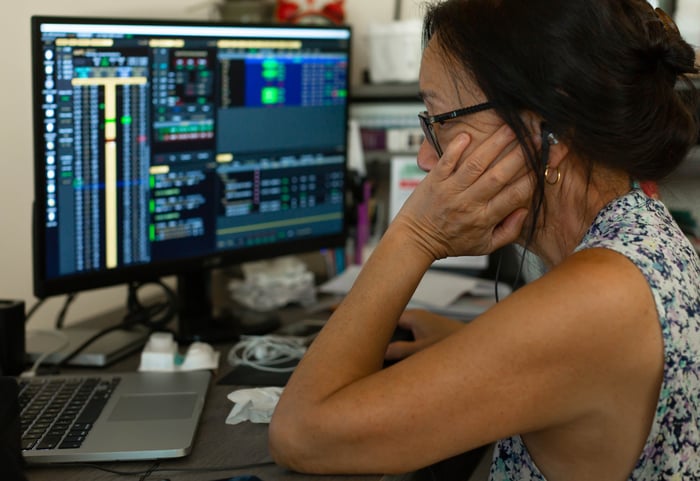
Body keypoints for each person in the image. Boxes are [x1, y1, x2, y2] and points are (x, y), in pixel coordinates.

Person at [268, 0, 700, 479]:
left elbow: (303, 434)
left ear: (545, 133)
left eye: (439, 121)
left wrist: (416, 234)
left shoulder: (598, 300)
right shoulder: (638, 235)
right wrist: (476, 347)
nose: (425, 159)